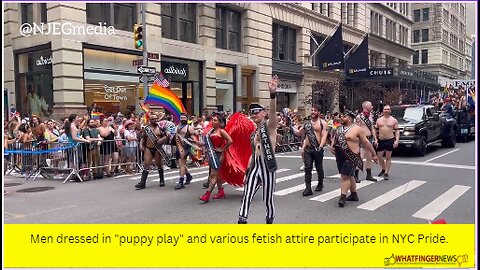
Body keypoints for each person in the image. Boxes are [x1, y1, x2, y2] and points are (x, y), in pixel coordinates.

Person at [238, 75, 278, 224]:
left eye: (257, 111)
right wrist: (247, 172)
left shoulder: (270, 126)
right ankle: (242, 220)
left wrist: (272, 94)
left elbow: (273, 113)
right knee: (247, 194)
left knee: (267, 199)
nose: (254, 114)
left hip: (268, 167)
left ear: (264, 113)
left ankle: (269, 220)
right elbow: (253, 154)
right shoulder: (254, 133)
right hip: (256, 167)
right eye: (252, 112)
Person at [331, 110, 378, 207]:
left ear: (349, 118)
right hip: (340, 156)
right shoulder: (339, 128)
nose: (341, 118)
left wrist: (374, 154)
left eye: (343, 116)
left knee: (344, 176)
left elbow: (366, 142)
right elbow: (335, 139)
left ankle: (342, 197)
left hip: (351, 156)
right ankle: (354, 195)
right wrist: (332, 147)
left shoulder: (358, 129)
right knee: (350, 176)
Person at [292, 105, 328, 196]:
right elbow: (301, 133)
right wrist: (293, 128)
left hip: (318, 148)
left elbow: (324, 135)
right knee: (308, 168)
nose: (312, 112)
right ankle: (308, 188)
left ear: (318, 112)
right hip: (308, 148)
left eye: (315, 110)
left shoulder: (323, 123)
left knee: (319, 167)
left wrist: (320, 146)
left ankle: (320, 183)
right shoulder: (307, 124)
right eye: (312, 110)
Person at [199, 115, 232, 202]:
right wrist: (196, 143)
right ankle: (221, 192)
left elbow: (230, 141)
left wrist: (222, 149)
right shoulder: (210, 132)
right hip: (211, 155)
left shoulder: (221, 131)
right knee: (216, 174)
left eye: (215, 120)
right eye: (212, 120)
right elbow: (207, 144)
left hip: (218, 156)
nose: (212, 121)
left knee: (213, 175)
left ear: (220, 123)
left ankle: (207, 195)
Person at [134, 113, 168, 189]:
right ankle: (143, 183)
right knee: (146, 165)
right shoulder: (146, 128)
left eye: (156, 119)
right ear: (150, 120)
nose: (155, 120)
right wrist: (141, 145)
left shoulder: (160, 128)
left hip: (157, 149)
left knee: (159, 165)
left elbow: (167, 136)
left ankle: (161, 180)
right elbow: (143, 138)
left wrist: (162, 139)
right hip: (148, 148)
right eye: (153, 119)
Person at [374, 105, 399, 181]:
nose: (386, 110)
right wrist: (375, 139)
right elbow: (375, 130)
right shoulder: (379, 120)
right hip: (381, 140)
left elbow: (397, 130)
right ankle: (384, 168)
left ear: (390, 111)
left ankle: (386, 173)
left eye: (388, 109)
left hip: (390, 139)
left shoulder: (394, 120)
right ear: (383, 110)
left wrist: (397, 140)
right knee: (379, 157)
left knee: (388, 157)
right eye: (385, 109)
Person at [174, 113, 198, 190]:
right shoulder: (177, 127)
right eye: (181, 118)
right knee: (180, 164)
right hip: (178, 147)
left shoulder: (189, 127)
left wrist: (195, 144)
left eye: (184, 118)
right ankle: (188, 176)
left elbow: (194, 136)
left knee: (181, 164)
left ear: (187, 119)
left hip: (185, 148)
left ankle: (181, 182)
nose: (182, 119)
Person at [355, 101, 377, 182]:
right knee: (360, 157)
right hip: (362, 139)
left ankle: (369, 174)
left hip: (369, 138)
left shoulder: (370, 116)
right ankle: (356, 175)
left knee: (369, 157)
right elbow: (357, 128)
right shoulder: (359, 117)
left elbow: (372, 128)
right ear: (366, 106)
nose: (372, 107)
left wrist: (375, 138)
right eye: (371, 105)